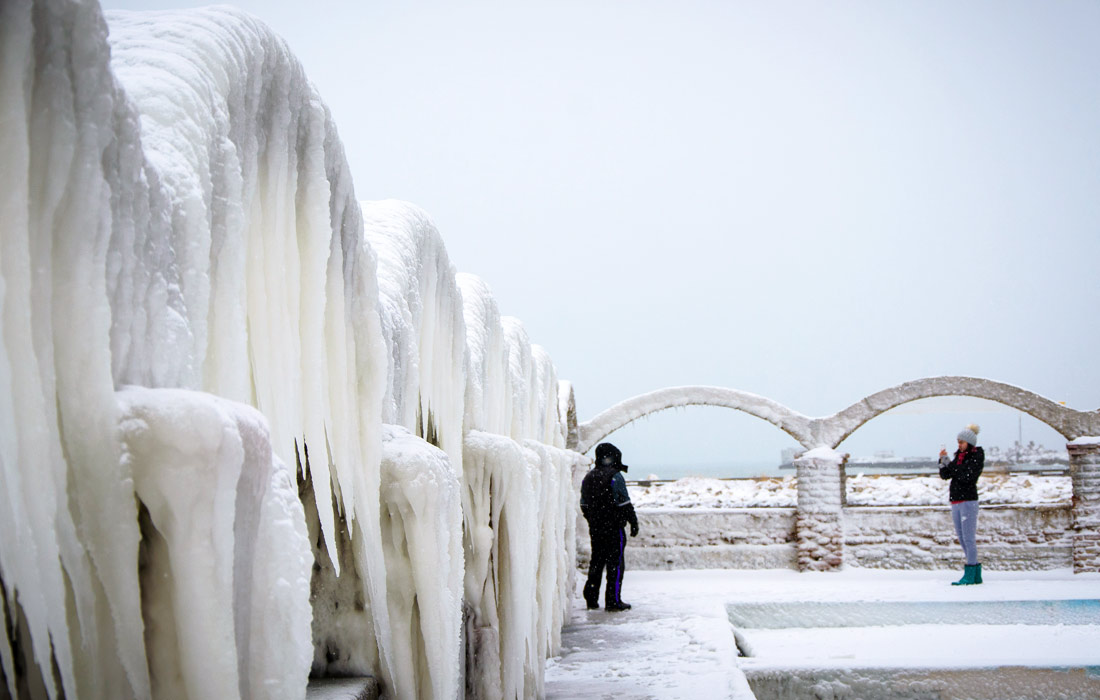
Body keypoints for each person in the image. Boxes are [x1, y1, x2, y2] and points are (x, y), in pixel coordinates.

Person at [580, 442, 639, 611]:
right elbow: (624, 502)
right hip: (614, 527)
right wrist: (633, 522)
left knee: (597, 561)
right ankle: (613, 600)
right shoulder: (615, 476)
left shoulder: (589, 476)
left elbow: (583, 504)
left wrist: (593, 519)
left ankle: (591, 598)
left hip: (596, 528)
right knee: (616, 563)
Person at [939, 424, 985, 585]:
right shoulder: (958, 457)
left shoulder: (976, 456)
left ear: (969, 443)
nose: (959, 445)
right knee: (962, 537)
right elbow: (945, 474)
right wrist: (943, 461)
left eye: (962, 442)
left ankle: (971, 570)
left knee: (969, 538)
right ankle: (975, 574)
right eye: (958, 442)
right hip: (956, 500)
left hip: (968, 501)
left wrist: (951, 465)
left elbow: (967, 476)